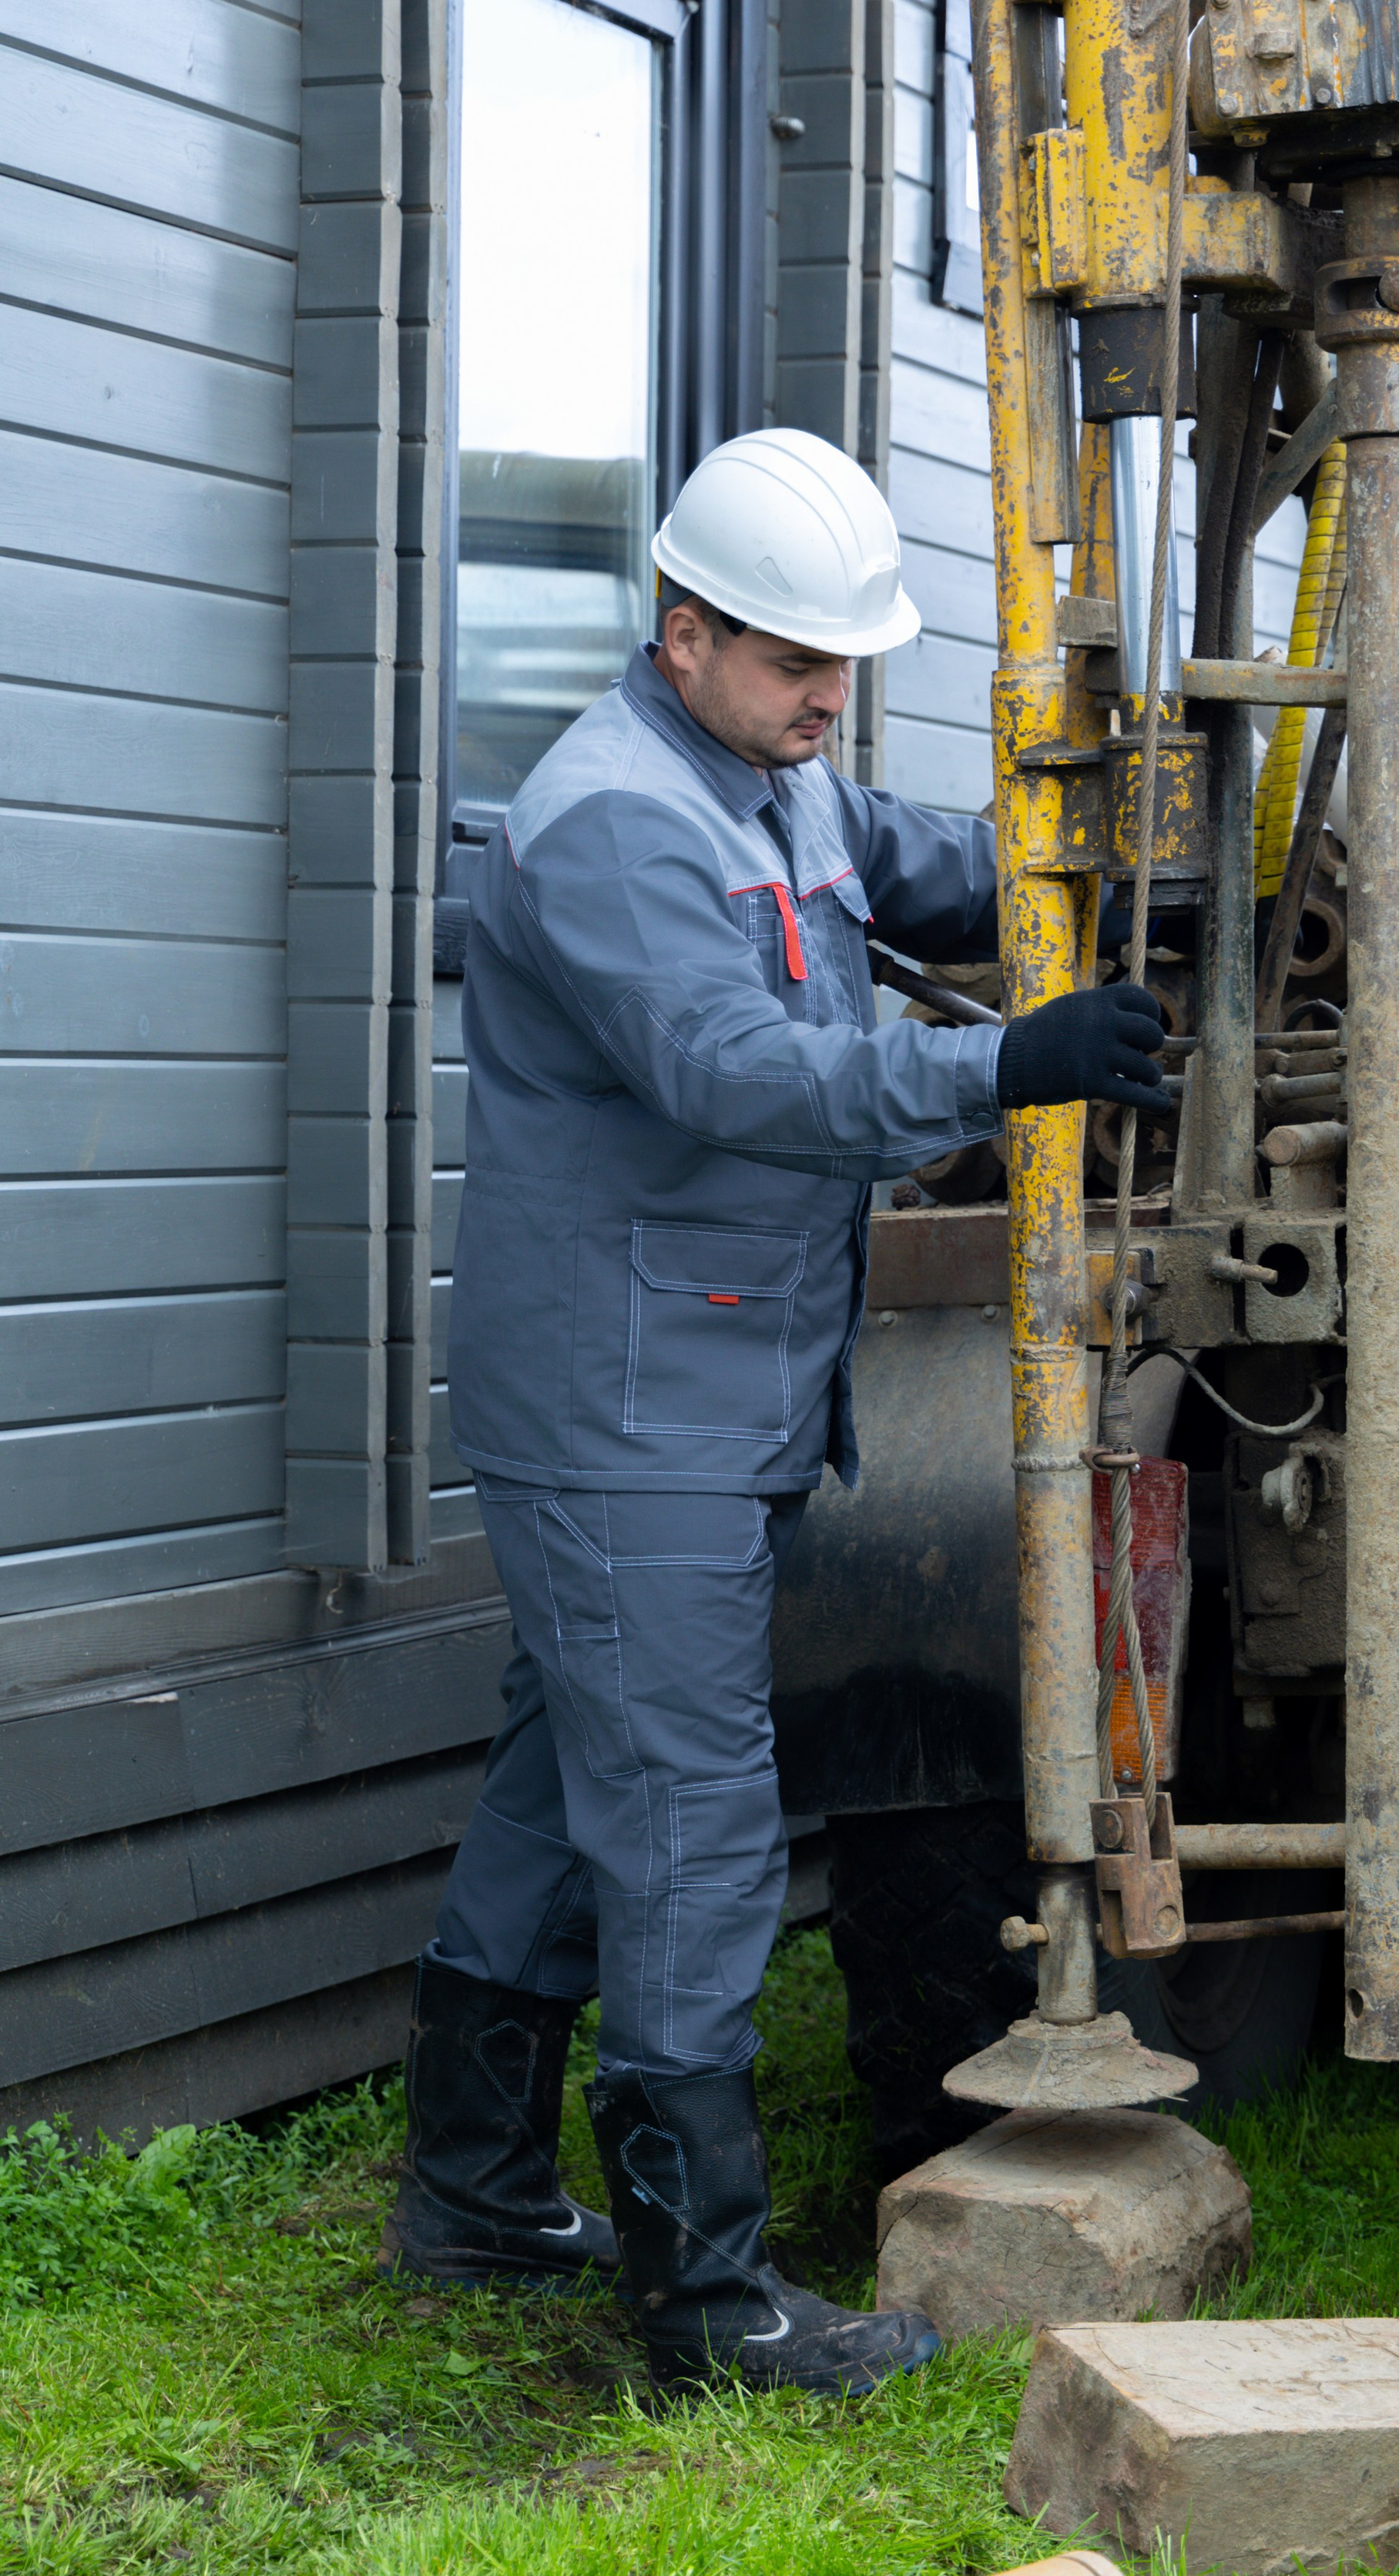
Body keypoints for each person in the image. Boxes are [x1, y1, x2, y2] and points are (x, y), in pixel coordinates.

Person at [385, 429, 1171, 2402]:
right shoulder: (607, 828)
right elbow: (746, 1074)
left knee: (569, 1798)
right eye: (793, 661)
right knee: (688, 1827)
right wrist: (1016, 1061)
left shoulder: (767, 781)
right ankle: (705, 2306)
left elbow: (915, 860)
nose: (831, 699)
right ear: (682, 631)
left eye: (848, 663)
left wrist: (1112, 835)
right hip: (630, 1409)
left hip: (702, 1391)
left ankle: (475, 2199)